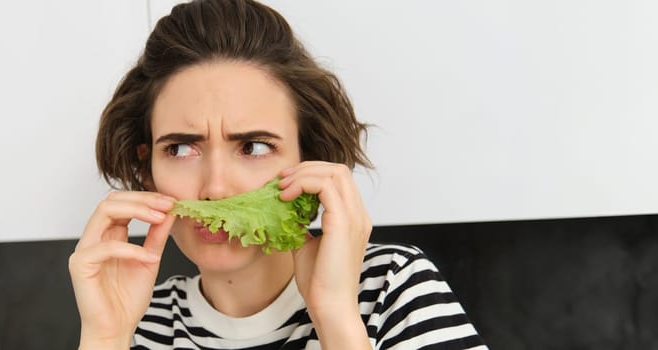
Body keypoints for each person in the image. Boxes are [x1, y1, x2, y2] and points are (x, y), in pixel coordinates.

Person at [69, 0, 487, 349]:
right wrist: (106, 336)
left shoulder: (391, 288)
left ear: (311, 161)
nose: (215, 188)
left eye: (252, 147)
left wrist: (334, 317)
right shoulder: (133, 318)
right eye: (180, 149)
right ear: (147, 172)